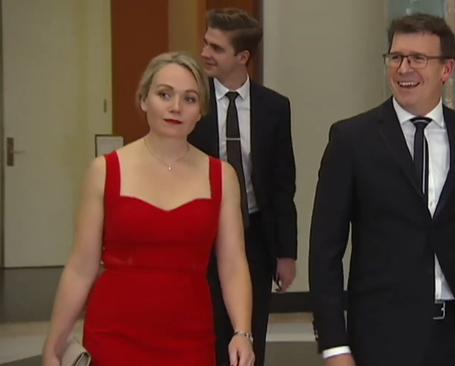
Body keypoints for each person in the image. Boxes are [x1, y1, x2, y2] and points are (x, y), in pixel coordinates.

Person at [309, 13, 455, 366]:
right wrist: (334, 346)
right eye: (396, 57)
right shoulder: (351, 140)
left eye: (418, 58)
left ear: (447, 70)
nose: (404, 69)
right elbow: (325, 250)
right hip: (381, 335)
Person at [42, 52, 254, 366]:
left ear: (201, 112)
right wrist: (54, 342)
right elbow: (81, 266)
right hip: (114, 334)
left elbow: (233, 264)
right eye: (164, 94)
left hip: (190, 335)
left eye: (190, 98)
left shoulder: (222, 177)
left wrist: (242, 332)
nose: (176, 107)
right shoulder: (105, 170)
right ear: (143, 100)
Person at [189, 8, 298, 366]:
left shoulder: (274, 108)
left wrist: (286, 252)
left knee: (249, 332)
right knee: (204, 331)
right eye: (206, 43)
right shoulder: (192, 102)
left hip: (254, 236)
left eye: (216, 48)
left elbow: (283, 184)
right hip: (199, 235)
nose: (205, 53)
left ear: (243, 57)